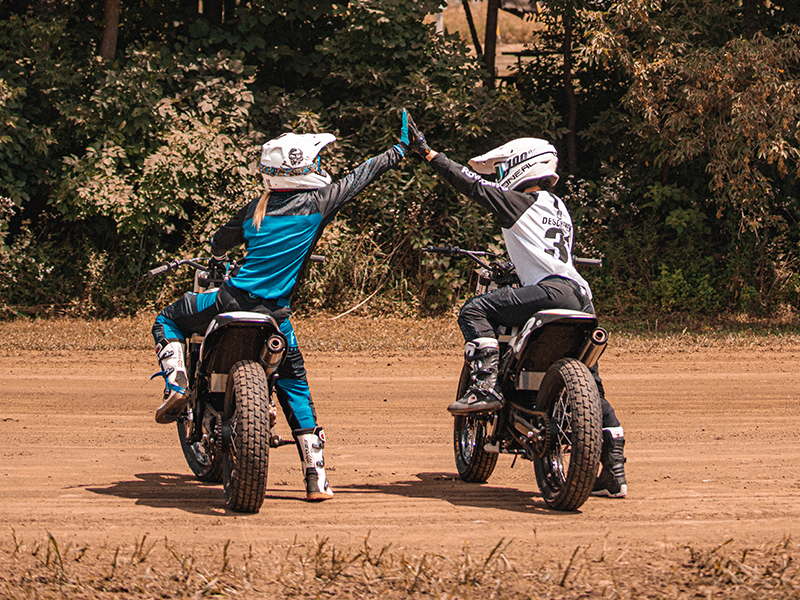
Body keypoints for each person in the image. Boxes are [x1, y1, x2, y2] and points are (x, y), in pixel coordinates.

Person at [151, 114, 412, 501]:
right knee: (295, 385)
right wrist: (399, 149)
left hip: (229, 302)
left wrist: (218, 248)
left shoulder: (256, 207)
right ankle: (316, 477)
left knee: (168, 317)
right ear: (305, 168)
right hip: (274, 317)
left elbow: (218, 243)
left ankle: (177, 384)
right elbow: (361, 176)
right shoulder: (319, 204)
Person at [404, 114, 627, 498]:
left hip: (552, 290)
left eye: (504, 168)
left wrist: (428, 153)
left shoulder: (519, 203)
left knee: (475, 311)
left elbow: (470, 184)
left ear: (521, 165)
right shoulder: (556, 206)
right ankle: (615, 471)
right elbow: (545, 251)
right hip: (582, 298)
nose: (500, 175)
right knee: (592, 383)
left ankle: (486, 387)